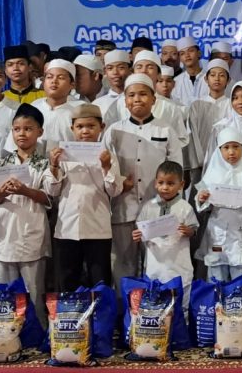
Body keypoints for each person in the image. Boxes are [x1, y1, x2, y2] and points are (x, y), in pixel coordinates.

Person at [103, 74, 183, 284]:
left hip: (158, 209)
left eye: (142, 94)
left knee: (158, 263)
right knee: (123, 264)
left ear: (153, 99)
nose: (137, 99)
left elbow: (177, 170)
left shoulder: (165, 130)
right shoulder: (114, 131)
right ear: (125, 100)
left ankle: (156, 303)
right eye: (131, 95)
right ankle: (126, 304)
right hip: (123, 207)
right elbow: (103, 168)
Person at [46, 104, 122, 291]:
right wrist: (53, 166)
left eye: (91, 126)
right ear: (72, 129)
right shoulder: (62, 155)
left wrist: (106, 166)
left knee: (100, 282)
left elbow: (114, 191)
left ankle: (100, 311)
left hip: (97, 227)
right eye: (80, 127)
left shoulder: (108, 156)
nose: (85, 131)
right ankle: (69, 311)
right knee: (67, 281)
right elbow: (52, 191)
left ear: (101, 127)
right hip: (67, 227)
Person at [0, 103, 52, 318]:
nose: (22, 134)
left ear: (40, 132)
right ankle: (2, 330)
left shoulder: (44, 163)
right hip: (4, 233)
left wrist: (25, 190)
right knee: (2, 292)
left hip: (31, 232)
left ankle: (37, 330)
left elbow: (48, 198)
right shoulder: (2, 162)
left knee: (34, 291)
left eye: (28, 129)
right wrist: (0, 192)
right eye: (17, 129)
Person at [195, 127, 242, 283]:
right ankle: (218, 298)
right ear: (219, 150)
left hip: (241, 230)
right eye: (226, 147)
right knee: (216, 272)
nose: (231, 152)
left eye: (236, 147)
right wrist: (202, 198)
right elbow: (202, 202)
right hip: (218, 230)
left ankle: (240, 298)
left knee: (241, 272)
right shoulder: (213, 172)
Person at [133, 160, 199, 312]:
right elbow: (141, 230)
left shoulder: (185, 207)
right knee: (155, 307)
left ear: (181, 184)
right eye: (161, 183)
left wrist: (188, 231)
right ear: (155, 183)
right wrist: (137, 235)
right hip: (155, 266)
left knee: (181, 308)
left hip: (179, 266)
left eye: (170, 183)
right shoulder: (148, 207)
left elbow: (194, 230)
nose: (165, 187)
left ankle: (181, 326)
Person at [185, 60, 231, 192]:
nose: (217, 79)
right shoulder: (197, 105)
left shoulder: (231, 105)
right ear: (206, 79)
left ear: (228, 80)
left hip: (226, 164)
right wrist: (200, 162)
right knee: (198, 197)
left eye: (221, 75)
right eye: (213, 75)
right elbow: (192, 136)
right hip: (199, 165)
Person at [31, 59, 84, 143]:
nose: (54, 81)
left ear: (72, 84)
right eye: (49, 77)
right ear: (43, 82)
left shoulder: (81, 110)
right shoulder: (33, 108)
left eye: (61, 78)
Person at [93, 50, 130, 126]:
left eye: (121, 68)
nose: (115, 72)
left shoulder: (137, 100)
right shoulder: (97, 104)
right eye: (110, 68)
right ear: (105, 71)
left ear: (129, 70)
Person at [173, 36, 207, 106]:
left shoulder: (210, 78)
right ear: (180, 58)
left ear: (199, 53)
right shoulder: (176, 82)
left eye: (191, 51)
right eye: (182, 53)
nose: (187, 55)